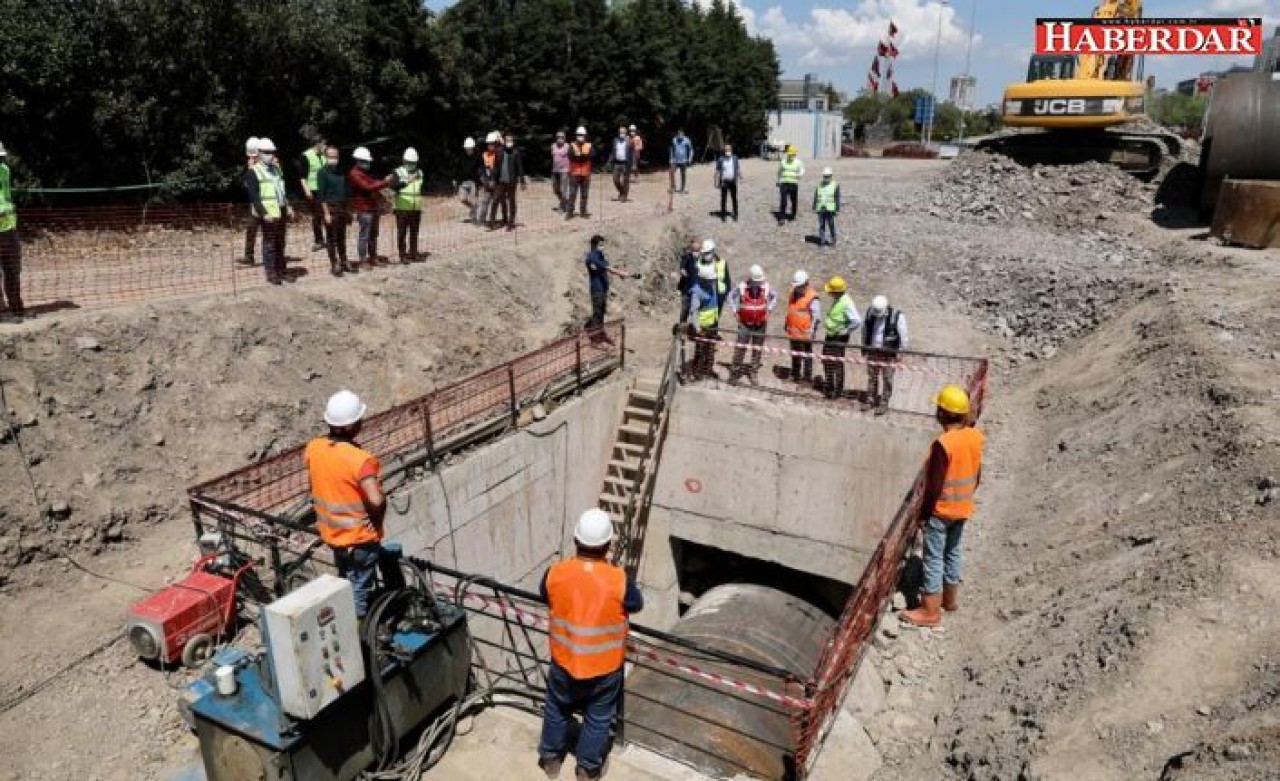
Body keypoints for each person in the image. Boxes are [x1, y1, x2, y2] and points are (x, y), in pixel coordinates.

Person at [537, 509, 643, 781]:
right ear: (608, 545)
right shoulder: (619, 580)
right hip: (603, 669)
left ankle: (550, 760)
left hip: (563, 662)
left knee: (557, 708)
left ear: (575, 540)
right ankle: (587, 768)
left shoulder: (555, 572)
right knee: (598, 718)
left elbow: (545, 594)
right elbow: (636, 604)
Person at [304, 390, 395, 619]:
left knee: (346, 581)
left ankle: (347, 622)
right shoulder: (359, 460)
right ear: (350, 426)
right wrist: (377, 522)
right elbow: (376, 500)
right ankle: (358, 635)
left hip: (333, 536)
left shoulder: (314, 448)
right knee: (358, 593)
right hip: (359, 540)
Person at [900, 385, 984, 628]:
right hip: (963, 507)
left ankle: (929, 610)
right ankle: (950, 600)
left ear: (944, 413)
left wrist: (924, 515)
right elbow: (977, 474)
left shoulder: (943, 444)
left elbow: (934, 485)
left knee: (934, 558)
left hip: (942, 511)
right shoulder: (974, 437)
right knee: (953, 551)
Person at [244, 138, 291, 285]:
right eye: (266, 152)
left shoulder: (277, 170)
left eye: (272, 152)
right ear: (259, 153)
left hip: (281, 211)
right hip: (268, 215)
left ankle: (281, 270)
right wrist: (264, 213)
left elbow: (281, 191)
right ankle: (271, 273)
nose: (270, 155)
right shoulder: (253, 172)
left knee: (280, 243)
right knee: (269, 243)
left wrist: (288, 207)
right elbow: (255, 197)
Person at [727, 265, 777, 384]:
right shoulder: (742, 286)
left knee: (757, 348)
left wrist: (769, 310)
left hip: (760, 324)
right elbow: (730, 297)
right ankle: (735, 373)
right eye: (757, 281)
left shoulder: (766, 287)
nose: (759, 283)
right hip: (745, 323)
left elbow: (775, 296)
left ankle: (753, 372)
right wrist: (735, 311)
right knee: (740, 347)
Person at [861, 295, 909, 414]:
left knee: (887, 378)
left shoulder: (897, 316)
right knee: (872, 377)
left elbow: (904, 336)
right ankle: (870, 400)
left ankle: (884, 403)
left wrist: (901, 353)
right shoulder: (870, 313)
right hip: (873, 350)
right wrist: (863, 347)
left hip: (889, 353)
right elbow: (865, 330)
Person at [348, 146, 394, 268]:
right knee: (364, 236)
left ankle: (373, 258)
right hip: (364, 210)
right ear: (358, 160)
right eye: (365, 161)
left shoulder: (364, 173)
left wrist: (382, 186)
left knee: (373, 235)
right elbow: (368, 187)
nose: (368, 163)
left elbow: (373, 184)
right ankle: (363, 260)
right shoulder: (354, 174)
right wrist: (385, 182)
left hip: (373, 208)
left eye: (368, 161)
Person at [584, 234, 634, 332]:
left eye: (603, 245)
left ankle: (599, 333)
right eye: (600, 245)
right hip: (597, 289)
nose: (602, 247)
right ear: (594, 245)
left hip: (603, 289)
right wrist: (623, 273)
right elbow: (609, 269)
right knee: (597, 313)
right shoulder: (592, 257)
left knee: (602, 312)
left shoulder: (600, 256)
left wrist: (620, 274)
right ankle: (595, 337)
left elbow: (607, 267)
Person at [821, 276, 861, 399]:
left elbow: (856, 321)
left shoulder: (846, 302)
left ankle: (837, 391)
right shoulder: (839, 300)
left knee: (837, 363)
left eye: (831, 291)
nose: (829, 293)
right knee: (827, 360)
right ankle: (829, 386)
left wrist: (845, 331)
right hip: (831, 336)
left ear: (836, 291)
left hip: (838, 338)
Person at [316, 145, 354, 276]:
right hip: (331, 208)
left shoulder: (342, 171)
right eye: (331, 156)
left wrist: (349, 211)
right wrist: (326, 213)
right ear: (326, 157)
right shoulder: (322, 172)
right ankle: (334, 263)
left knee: (342, 237)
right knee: (331, 238)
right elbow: (321, 195)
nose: (333, 159)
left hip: (342, 208)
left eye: (336, 156)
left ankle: (344, 260)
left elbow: (346, 191)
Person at [685, 261, 722, 380]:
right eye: (711, 280)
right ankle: (697, 372)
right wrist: (697, 328)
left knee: (710, 350)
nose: (713, 281)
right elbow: (694, 311)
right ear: (704, 279)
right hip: (702, 326)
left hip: (712, 324)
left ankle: (708, 369)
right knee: (700, 351)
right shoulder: (697, 292)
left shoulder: (712, 286)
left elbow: (714, 305)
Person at [784, 270, 821, 383]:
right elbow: (791, 310)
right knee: (795, 354)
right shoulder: (793, 292)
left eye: (799, 286)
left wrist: (812, 331)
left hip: (806, 333)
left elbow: (817, 317)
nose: (797, 288)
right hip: (793, 331)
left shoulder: (812, 297)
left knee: (807, 355)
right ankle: (795, 375)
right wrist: (786, 323)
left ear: (806, 283)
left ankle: (807, 378)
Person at [0, 141, 22, 321]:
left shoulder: (5, 170)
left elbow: (6, 197)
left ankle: (16, 308)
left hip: (8, 228)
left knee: (13, 269)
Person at [392, 147, 425, 263]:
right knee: (402, 233)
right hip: (402, 208)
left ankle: (413, 253)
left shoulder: (420, 172)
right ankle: (403, 255)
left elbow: (421, 189)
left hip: (416, 208)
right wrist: (406, 181)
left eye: (414, 163)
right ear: (404, 161)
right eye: (409, 162)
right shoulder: (397, 172)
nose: (412, 165)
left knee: (414, 232)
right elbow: (393, 186)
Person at [490, 133, 526, 231]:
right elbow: (495, 167)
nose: (509, 142)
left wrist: (522, 181)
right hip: (500, 182)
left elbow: (520, 167)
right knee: (495, 200)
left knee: (512, 202)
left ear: (513, 142)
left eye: (511, 140)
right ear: (504, 142)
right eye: (507, 140)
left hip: (511, 182)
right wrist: (493, 179)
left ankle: (511, 222)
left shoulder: (516, 152)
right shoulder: (499, 151)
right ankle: (492, 223)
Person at [297, 134, 327, 252]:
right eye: (323, 143)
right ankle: (319, 240)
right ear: (317, 144)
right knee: (317, 216)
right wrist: (306, 190)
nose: (325, 145)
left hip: (325, 189)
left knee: (328, 214)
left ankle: (330, 239)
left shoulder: (324, 155)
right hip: (313, 190)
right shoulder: (305, 156)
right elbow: (302, 176)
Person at [239, 137, 261, 266]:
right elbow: (247, 184)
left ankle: (275, 256)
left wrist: (252, 169)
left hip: (266, 202)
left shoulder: (269, 165)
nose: (252, 158)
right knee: (251, 228)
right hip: (255, 202)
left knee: (269, 232)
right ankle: (249, 256)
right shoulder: (251, 165)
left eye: (255, 156)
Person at [697, 238, 731, 316]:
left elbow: (727, 280)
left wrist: (726, 293)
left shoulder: (722, 263)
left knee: (715, 319)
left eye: (708, 252)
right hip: (704, 296)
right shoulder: (697, 263)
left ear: (713, 251)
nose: (706, 255)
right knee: (704, 317)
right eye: (705, 253)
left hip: (719, 296)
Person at [675, 237, 700, 327]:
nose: (696, 252)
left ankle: (695, 329)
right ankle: (681, 329)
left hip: (698, 289)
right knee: (685, 309)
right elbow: (682, 268)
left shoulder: (703, 258)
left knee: (697, 310)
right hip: (687, 288)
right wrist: (684, 273)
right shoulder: (687, 257)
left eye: (697, 249)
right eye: (694, 249)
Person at [775, 145, 804, 222]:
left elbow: (802, 170)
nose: (791, 156)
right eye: (790, 154)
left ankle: (793, 214)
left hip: (793, 183)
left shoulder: (798, 162)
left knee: (793, 200)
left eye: (792, 154)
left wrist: (799, 175)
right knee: (783, 200)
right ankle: (782, 217)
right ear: (787, 154)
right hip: (784, 183)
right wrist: (778, 181)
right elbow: (779, 172)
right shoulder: (783, 161)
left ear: (795, 154)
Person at [813, 167, 841, 247]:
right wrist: (814, 207)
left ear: (831, 176)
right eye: (825, 176)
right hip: (820, 208)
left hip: (830, 209)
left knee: (831, 225)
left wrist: (837, 209)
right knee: (821, 225)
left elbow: (837, 198)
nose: (826, 178)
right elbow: (816, 196)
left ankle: (833, 239)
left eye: (828, 176)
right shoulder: (819, 185)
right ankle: (822, 240)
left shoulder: (835, 185)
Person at [479, 131, 500, 228]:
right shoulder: (484, 155)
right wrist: (483, 179)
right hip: (487, 181)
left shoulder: (499, 154)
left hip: (497, 182)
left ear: (496, 143)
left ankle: (495, 220)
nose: (490, 145)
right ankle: (482, 220)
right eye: (489, 143)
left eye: (492, 143)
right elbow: (481, 168)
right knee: (485, 201)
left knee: (497, 202)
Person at [714, 143, 740, 222]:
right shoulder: (720, 159)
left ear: (731, 150)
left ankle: (735, 214)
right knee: (723, 199)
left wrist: (740, 175)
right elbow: (717, 171)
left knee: (734, 198)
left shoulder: (735, 158)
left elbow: (737, 168)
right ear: (724, 151)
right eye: (726, 150)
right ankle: (723, 215)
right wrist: (716, 182)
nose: (727, 151)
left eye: (728, 149)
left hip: (733, 181)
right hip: (724, 182)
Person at [458, 137, 481, 223]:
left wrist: (480, 180)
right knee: (462, 199)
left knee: (473, 199)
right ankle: (473, 208)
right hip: (463, 182)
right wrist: (455, 179)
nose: (468, 150)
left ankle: (474, 217)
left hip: (473, 182)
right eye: (467, 149)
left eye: (470, 148)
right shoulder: (461, 157)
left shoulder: (478, 157)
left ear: (473, 148)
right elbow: (458, 169)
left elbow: (481, 169)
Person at [609, 126, 634, 202]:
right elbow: (613, 151)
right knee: (615, 179)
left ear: (626, 133)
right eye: (620, 132)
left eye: (623, 132)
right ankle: (622, 192)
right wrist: (609, 161)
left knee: (625, 181)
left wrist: (633, 164)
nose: (621, 134)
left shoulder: (630, 141)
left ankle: (624, 196)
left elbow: (632, 153)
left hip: (626, 163)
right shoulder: (615, 140)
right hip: (617, 162)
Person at [551, 131, 571, 213]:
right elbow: (553, 157)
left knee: (564, 190)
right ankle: (565, 202)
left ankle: (562, 207)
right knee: (555, 189)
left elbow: (571, 158)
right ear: (556, 138)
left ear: (565, 138)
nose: (560, 138)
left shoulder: (568, 146)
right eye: (558, 137)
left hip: (565, 171)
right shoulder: (553, 146)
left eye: (562, 137)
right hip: (555, 170)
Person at [669, 129, 693, 194]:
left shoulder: (687, 140)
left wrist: (690, 158)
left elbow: (691, 150)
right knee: (671, 172)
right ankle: (673, 187)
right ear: (677, 135)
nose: (680, 137)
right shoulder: (674, 140)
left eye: (681, 135)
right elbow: (671, 149)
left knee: (683, 175)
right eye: (679, 135)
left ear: (683, 135)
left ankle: (682, 188)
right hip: (675, 160)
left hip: (684, 160)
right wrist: (671, 158)